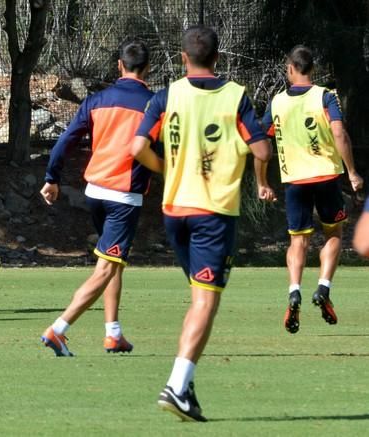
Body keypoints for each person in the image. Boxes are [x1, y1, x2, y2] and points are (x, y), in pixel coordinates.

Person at [130, 25, 274, 421]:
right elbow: (261, 147)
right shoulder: (235, 96)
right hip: (213, 212)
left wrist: (166, 168)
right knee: (206, 301)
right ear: (218, 58)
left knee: (200, 299)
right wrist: (260, 178)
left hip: (174, 209)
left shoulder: (166, 95)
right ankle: (177, 385)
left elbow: (137, 147)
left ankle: (186, 386)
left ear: (182, 58)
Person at [39, 40, 156, 357]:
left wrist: (52, 177)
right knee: (106, 267)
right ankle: (58, 330)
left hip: (95, 195)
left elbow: (66, 140)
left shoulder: (96, 100)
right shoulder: (154, 104)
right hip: (123, 198)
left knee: (114, 262)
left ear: (119, 65)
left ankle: (113, 334)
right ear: (148, 68)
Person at [262, 45, 363, 334]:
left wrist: (262, 179)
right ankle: (323, 287)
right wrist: (352, 171)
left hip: (294, 180)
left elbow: (262, 139)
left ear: (290, 69)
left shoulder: (277, 101)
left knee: (298, 241)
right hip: (326, 176)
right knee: (333, 233)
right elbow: (339, 133)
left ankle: (294, 291)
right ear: (313, 70)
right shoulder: (325, 96)